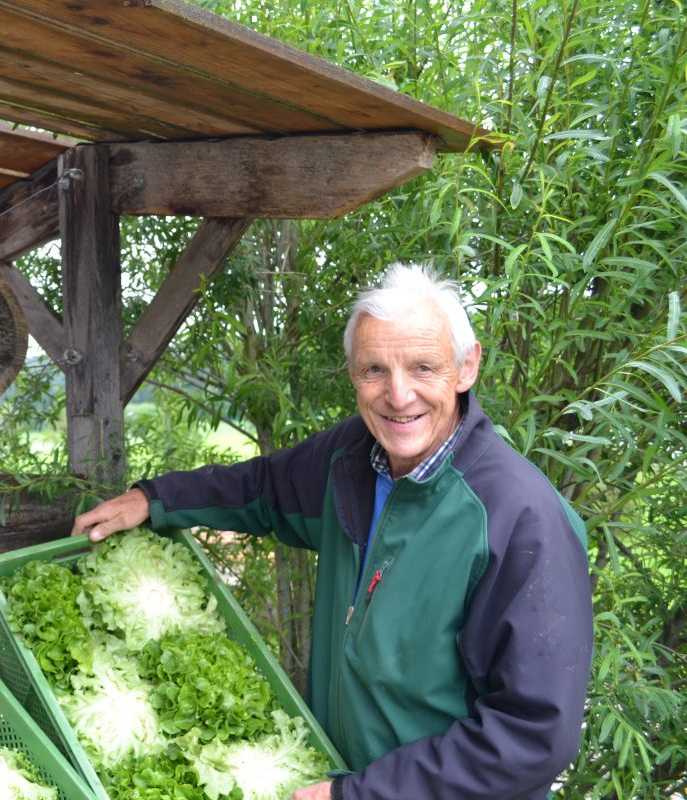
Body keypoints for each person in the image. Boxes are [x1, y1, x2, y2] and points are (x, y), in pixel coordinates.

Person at [71, 263, 593, 800]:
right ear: (352, 374)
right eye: (374, 370)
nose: (398, 394)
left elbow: (533, 736)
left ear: (466, 367)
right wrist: (155, 499)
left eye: (422, 367)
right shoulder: (353, 458)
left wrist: (358, 795)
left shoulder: (521, 519)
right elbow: (263, 486)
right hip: (336, 777)